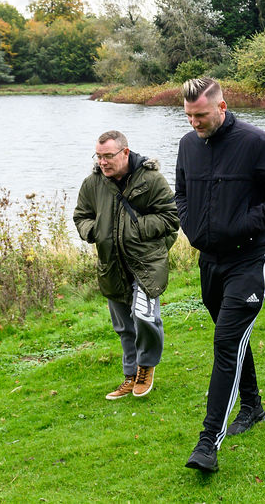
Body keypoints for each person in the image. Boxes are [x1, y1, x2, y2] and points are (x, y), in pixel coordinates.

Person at [176, 78, 265, 474]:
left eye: (201, 115)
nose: (195, 122)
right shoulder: (187, 145)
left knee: (227, 341)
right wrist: (190, 223)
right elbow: (179, 192)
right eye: (189, 115)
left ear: (222, 107)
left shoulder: (255, 142)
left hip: (248, 260)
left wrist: (248, 223)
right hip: (208, 261)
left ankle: (208, 441)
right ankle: (253, 407)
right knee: (234, 340)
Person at [73, 130, 179, 401]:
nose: (103, 162)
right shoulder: (93, 183)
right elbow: (81, 216)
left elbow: (171, 217)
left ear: (125, 153)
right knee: (124, 327)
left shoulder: (151, 179)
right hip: (111, 265)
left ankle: (146, 368)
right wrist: (95, 231)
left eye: (108, 156)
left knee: (144, 316)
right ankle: (130, 376)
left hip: (146, 263)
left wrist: (135, 228)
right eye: (98, 156)